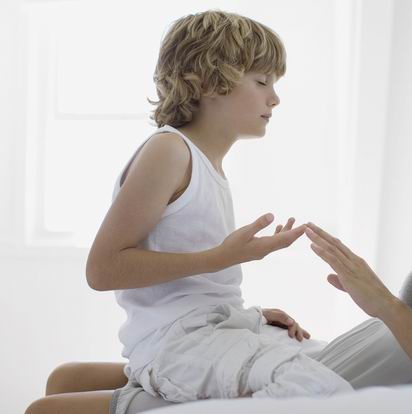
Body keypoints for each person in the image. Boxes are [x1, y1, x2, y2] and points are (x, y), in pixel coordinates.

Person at [27, 36, 412, 414]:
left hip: (317, 388)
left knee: (45, 407)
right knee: (67, 379)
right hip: (321, 362)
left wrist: (384, 304)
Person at [25, 9, 352, 414]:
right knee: (313, 385)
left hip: (205, 331)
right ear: (210, 81)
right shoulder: (170, 151)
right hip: (176, 345)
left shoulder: (207, 164)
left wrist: (247, 317)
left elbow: (192, 293)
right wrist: (223, 257)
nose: (275, 98)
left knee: (323, 360)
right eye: (262, 81)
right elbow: (103, 269)